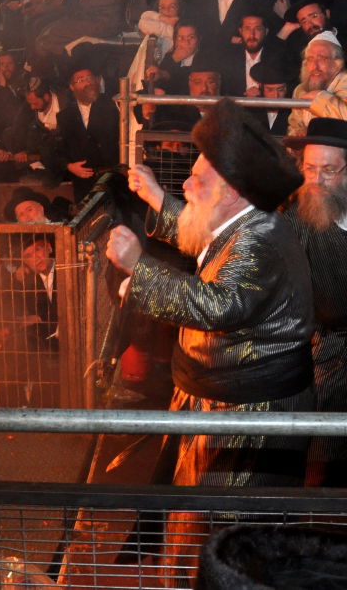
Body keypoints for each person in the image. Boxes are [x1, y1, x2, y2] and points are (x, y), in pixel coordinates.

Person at [107, 98, 313, 488]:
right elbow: (200, 230)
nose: (185, 184)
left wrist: (139, 267)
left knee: (225, 522)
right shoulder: (244, 217)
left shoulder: (259, 240)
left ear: (233, 192)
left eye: (197, 180)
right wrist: (155, 197)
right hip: (223, 400)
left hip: (248, 415)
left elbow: (216, 305)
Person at [282, 118, 347, 486]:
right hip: (325, 351)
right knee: (320, 459)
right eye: (309, 169)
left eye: (328, 171)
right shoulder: (295, 214)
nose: (316, 181)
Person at [54, 65, 120, 201]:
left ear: (96, 81)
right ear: (72, 87)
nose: (87, 82)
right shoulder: (65, 116)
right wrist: (69, 166)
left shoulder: (113, 106)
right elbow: (58, 148)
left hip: (113, 178)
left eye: (89, 78)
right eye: (80, 80)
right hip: (83, 182)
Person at [287, 31, 347, 138]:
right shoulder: (300, 90)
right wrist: (298, 136)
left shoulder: (344, 81)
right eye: (310, 59)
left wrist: (319, 98)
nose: (315, 66)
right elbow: (294, 126)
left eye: (322, 58)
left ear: (336, 63)